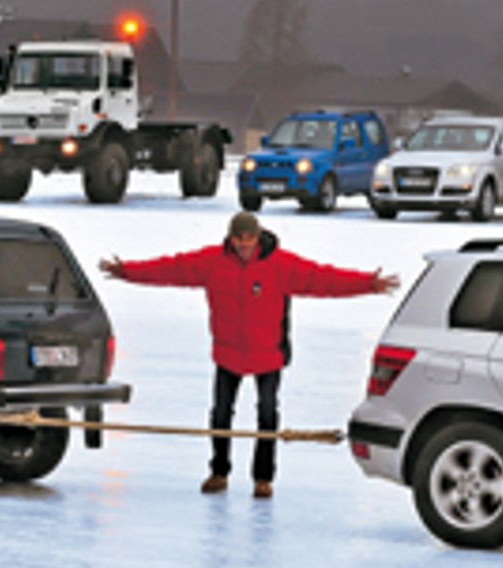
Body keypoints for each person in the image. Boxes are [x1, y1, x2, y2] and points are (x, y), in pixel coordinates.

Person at [99, 212, 399, 498]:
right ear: (230, 239)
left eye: (249, 238)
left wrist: (368, 284)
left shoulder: (280, 264)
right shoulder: (212, 262)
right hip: (228, 354)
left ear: (258, 238)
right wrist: (126, 271)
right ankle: (219, 472)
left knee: (267, 415)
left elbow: (322, 279)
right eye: (239, 238)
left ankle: (263, 479)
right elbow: (170, 269)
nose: (244, 244)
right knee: (220, 415)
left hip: (268, 355)